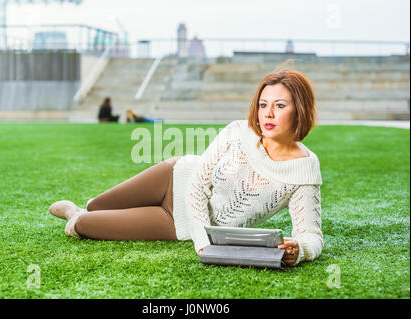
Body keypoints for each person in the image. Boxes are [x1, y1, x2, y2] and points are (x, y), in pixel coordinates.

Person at [49, 66, 323, 267]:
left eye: (279, 105)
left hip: (174, 223)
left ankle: (74, 213)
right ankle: (87, 207)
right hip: (174, 176)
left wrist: (300, 250)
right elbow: (197, 185)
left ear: (299, 109)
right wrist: (203, 241)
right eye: (263, 104)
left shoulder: (303, 171)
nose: (268, 114)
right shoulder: (239, 131)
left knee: (84, 223)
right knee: (98, 205)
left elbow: (310, 235)